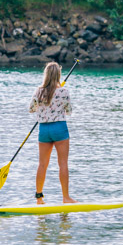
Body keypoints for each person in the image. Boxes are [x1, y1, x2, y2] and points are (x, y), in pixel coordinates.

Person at [29, 62, 76, 205]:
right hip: (59, 128)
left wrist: (43, 110)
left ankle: (39, 198)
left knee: (42, 164)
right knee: (63, 164)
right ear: (58, 75)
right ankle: (66, 198)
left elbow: (31, 109)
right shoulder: (64, 91)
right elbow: (69, 111)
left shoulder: (38, 91)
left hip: (44, 129)